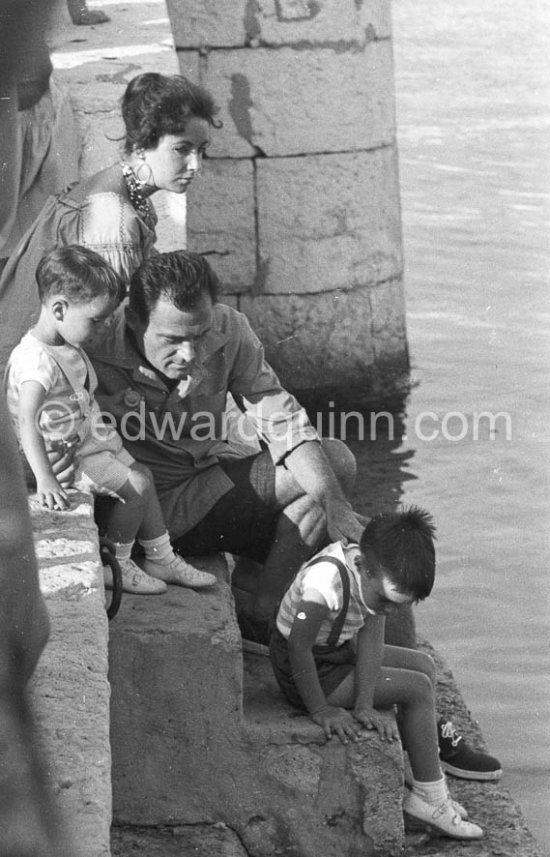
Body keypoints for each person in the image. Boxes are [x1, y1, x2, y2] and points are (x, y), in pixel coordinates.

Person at [86, 248, 365, 626]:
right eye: (171, 340)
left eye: (199, 337)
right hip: (135, 517)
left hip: (204, 495)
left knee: (334, 463)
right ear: (134, 320)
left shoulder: (229, 330)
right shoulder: (93, 343)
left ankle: (265, 613)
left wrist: (335, 504)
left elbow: (285, 423)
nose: (188, 353)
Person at [4, 245, 217, 594]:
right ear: (59, 308)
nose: (104, 328)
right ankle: (116, 564)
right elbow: (26, 421)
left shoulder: (64, 347)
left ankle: (160, 557)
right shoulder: (36, 362)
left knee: (143, 475)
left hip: (88, 442)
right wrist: (45, 479)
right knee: (138, 487)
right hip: (69, 458)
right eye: (97, 320)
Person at [269, 507, 488, 840]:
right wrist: (321, 709)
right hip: (305, 669)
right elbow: (298, 647)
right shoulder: (326, 582)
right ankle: (432, 799)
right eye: (387, 601)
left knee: (423, 666)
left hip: (334, 650)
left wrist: (365, 702)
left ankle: (420, 774)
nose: (390, 609)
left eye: (399, 604)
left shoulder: (376, 578)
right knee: (416, 689)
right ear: (362, 567)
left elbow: (371, 641)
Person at [0, 71, 220, 371]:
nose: (196, 165)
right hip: (36, 381)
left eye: (201, 150)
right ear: (142, 145)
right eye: (182, 149)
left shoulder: (123, 193)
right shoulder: (113, 221)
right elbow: (108, 340)